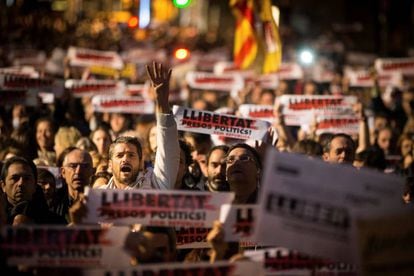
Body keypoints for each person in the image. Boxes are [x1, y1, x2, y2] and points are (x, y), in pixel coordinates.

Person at [100, 61, 179, 190]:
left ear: (142, 162)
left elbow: (168, 148)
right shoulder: (97, 195)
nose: (125, 159)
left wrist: (163, 104)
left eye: (131, 155)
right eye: (119, 155)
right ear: (109, 165)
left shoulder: (156, 185)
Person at [0, 156, 64, 224]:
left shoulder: (54, 222)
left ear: (35, 185)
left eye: (27, 179)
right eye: (15, 178)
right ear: (3, 185)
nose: (20, 183)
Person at [56, 147, 94, 223]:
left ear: (92, 171)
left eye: (85, 166)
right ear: (63, 172)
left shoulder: (100, 202)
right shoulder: (53, 203)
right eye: (73, 166)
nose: (78, 171)